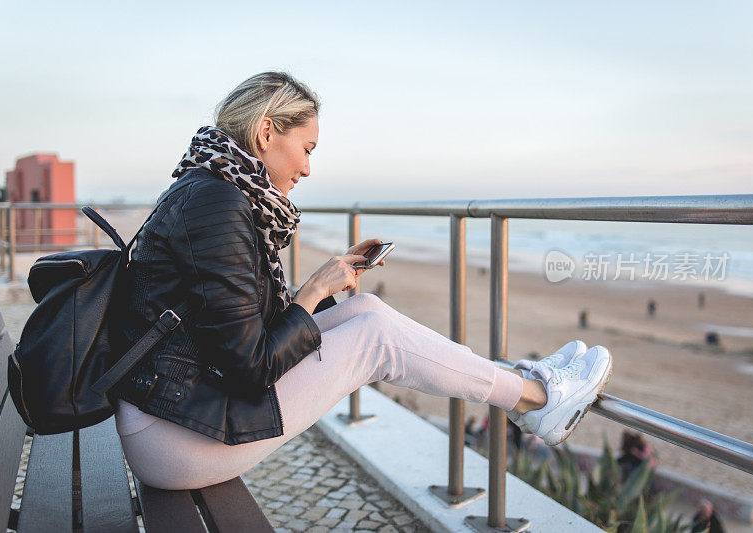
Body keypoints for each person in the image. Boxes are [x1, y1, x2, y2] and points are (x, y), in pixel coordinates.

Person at [111, 71, 614, 491]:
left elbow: (233, 330)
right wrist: (310, 294)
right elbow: (250, 368)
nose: (308, 168)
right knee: (377, 338)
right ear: (266, 132)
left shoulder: (211, 188)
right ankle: (539, 401)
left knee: (368, 313)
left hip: (178, 411)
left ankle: (524, 389)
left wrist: (321, 289)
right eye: (305, 148)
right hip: (173, 437)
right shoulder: (217, 204)